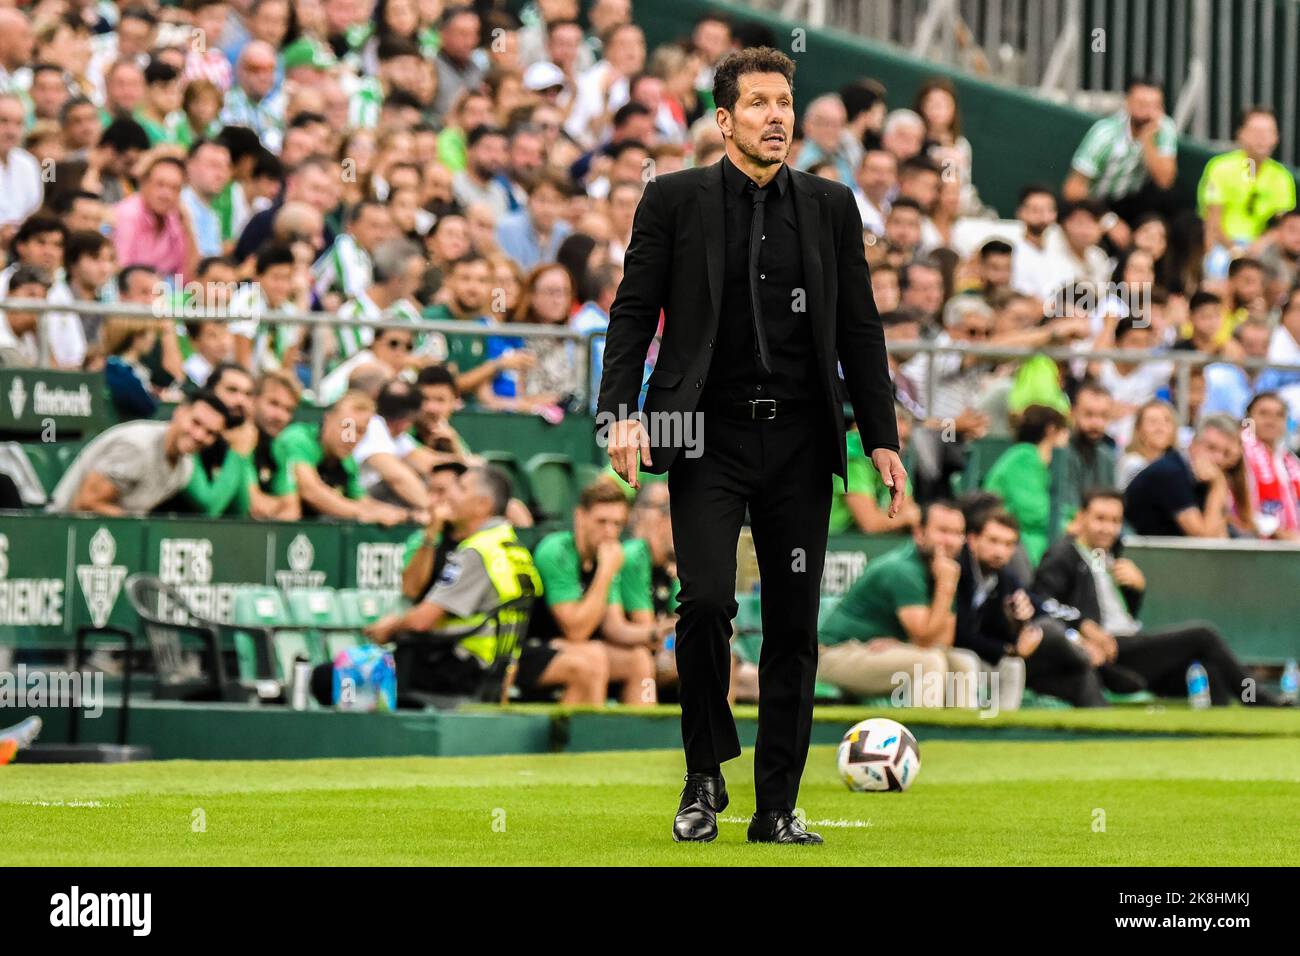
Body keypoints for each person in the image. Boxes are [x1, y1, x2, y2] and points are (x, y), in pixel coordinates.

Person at [598, 47, 905, 846]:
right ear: (725, 120)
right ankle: (704, 774)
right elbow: (633, 315)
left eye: (786, 102)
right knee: (703, 602)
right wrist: (617, 414)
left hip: (803, 439)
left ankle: (776, 807)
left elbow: (862, 329)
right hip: (702, 434)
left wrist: (883, 438)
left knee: (796, 625)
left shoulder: (834, 205)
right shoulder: (671, 200)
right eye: (760, 103)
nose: (778, 116)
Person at [1034, 489, 1281, 706]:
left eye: (1115, 520)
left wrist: (1135, 589)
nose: (1108, 528)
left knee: (1211, 667)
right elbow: (1042, 602)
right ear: (1081, 518)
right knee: (1203, 635)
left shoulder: (1110, 555)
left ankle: (1217, 737)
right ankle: (1256, 699)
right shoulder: (1064, 554)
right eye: (1100, 519)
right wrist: (1084, 627)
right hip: (1108, 646)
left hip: (1127, 643)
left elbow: (1119, 613)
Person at [361, 466, 557, 702]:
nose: (450, 495)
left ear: (482, 505)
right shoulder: (513, 547)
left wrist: (390, 627)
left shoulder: (477, 551)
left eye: (461, 488)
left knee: (329, 677)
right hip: (494, 672)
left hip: (454, 670)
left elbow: (422, 621)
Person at [817, 500, 981, 707]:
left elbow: (943, 641)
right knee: (928, 663)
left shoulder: (944, 569)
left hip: (877, 652)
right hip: (835, 655)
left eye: (958, 533)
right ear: (919, 534)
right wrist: (946, 586)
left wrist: (905, 645)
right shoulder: (902, 569)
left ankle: (956, 737)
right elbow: (924, 638)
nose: (950, 541)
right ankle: (924, 736)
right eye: (943, 531)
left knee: (964, 662)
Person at [532, 479, 665, 706]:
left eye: (617, 524)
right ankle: (590, 737)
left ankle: (640, 734)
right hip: (536, 647)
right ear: (580, 517)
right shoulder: (557, 551)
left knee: (639, 659)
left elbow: (613, 626)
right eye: (602, 522)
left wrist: (653, 634)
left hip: (579, 648)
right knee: (594, 656)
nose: (610, 532)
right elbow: (575, 631)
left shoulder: (606, 557)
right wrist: (605, 572)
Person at [957, 505, 1105, 708]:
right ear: (973, 540)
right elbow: (960, 632)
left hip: (996, 657)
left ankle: (1003, 732)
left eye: (1009, 544)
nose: (1000, 551)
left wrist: (1022, 624)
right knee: (1044, 636)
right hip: (959, 653)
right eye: (993, 541)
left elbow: (1041, 610)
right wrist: (1010, 649)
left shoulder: (1005, 578)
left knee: (1069, 665)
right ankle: (1102, 665)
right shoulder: (959, 570)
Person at [49, 391, 232, 515]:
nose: (199, 435)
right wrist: (140, 529)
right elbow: (84, 504)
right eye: (196, 423)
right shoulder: (138, 447)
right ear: (179, 413)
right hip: (60, 534)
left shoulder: (186, 467)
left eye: (210, 433)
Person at [270, 390, 415, 525]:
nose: (350, 438)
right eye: (346, 426)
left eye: (359, 430)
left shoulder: (347, 461)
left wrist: (403, 515)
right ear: (328, 419)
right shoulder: (298, 439)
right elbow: (311, 491)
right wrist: (362, 513)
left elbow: (361, 501)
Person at [981, 404, 1069, 566]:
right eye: (1065, 432)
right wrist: (1071, 525)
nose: (1068, 441)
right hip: (1019, 544)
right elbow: (1034, 514)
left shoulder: (1034, 460)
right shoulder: (1024, 457)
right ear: (1051, 430)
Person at [1124, 414, 1239, 538]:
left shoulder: (1204, 478)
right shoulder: (1170, 473)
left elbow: (1221, 536)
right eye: (1211, 448)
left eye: (1225, 453)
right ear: (1193, 444)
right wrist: (1218, 485)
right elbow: (1204, 540)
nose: (1218, 459)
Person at [1240, 392, 1300, 540]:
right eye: (1263, 413)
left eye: (1279, 415)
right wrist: (1278, 533)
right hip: (1253, 544)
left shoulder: (1289, 459)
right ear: (1248, 419)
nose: (1271, 421)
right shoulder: (1238, 451)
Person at [1059, 381, 1117, 527]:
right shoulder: (1061, 453)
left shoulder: (1107, 456)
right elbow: (1067, 509)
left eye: (1103, 416)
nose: (1096, 423)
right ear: (1073, 413)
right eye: (1089, 414)